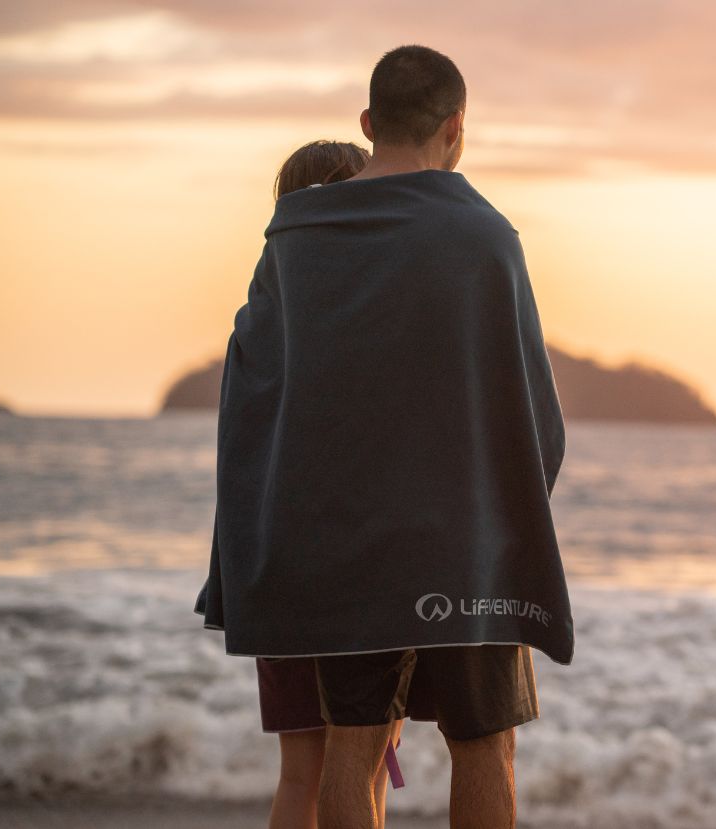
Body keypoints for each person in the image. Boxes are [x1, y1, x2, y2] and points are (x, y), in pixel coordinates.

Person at [195, 44, 572, 829]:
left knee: (353, 750)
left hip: (341, 546)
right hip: (466, 549)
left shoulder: (295, 240)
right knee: (484, 747)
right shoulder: (486, 237)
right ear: (457, 127)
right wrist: (510, 513)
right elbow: (535, 414)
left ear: (368, 124)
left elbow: (254, 392)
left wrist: (269, 537)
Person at [258, 139, 407, 829]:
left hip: (281, 568)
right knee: (365, 762)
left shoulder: (264, 315)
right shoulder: (367, 317)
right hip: (363, 569)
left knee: (303, 774)